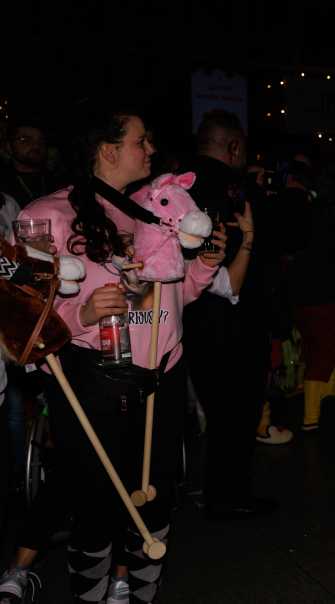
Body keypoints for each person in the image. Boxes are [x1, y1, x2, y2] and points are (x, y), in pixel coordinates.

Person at [8, 103, 225, 603]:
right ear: (107, 150)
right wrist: (80, 316)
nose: (151, 149)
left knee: (153, 506)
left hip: (164, 373)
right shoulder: (44, 215)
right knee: (94, 506)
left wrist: (202, 268)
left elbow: (172, 297)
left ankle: (136, 594)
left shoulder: (154, 208)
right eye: (140, 140)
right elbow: (18, 314)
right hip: (92, 376)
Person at [176, 115, 310, 520]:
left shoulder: (177, 185)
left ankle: (221, 483)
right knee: (238, 413)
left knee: (217, 412)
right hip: (238, 320)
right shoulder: (234, 187)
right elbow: (292, 228)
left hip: (193, 318)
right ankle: (226, 495)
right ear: (234, 147)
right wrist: (295, 192)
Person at [283, 161, 335, 432]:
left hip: (299, 298)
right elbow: (332, 247)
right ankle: (311, 418)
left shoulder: (280, 210)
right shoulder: (309, 212)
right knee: (323, 357)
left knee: (324, 353)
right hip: (322, 298)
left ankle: (325, 412)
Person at [0, 117, 54, 208]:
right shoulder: (3, 181)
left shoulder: (57, 179)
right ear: (9, 147)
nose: (36, 146)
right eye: (27, 141)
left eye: (41, 142)